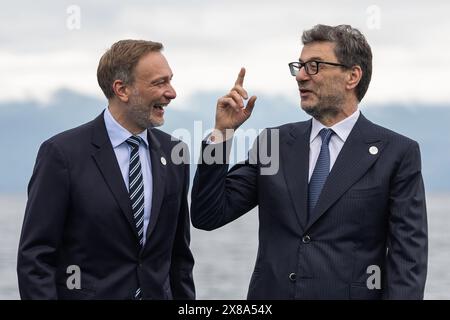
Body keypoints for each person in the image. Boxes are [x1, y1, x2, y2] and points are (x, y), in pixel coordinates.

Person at [191, 24, 427, 299]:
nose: (301, 76)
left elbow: (407, 264)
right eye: (299, 66)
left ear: (352, 76)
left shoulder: (397, 153)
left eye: (314, 66)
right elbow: (208, 215)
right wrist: (222, 135)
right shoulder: (274, 142)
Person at [17, 40, 195, 300]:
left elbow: (180, 259)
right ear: (122, 90)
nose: (172, 93)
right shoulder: (62, 154)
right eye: (159, 83)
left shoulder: (175, 153)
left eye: (170, 81)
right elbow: (36, 259)